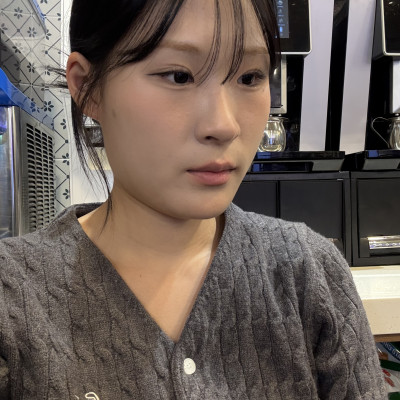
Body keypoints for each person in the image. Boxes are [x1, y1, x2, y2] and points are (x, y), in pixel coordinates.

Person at [0, 0, 387, 398]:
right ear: (87, 87)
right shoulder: (12, 296)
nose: (224, 125)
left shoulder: (309, 273)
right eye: (179, 76)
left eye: (250, 77)